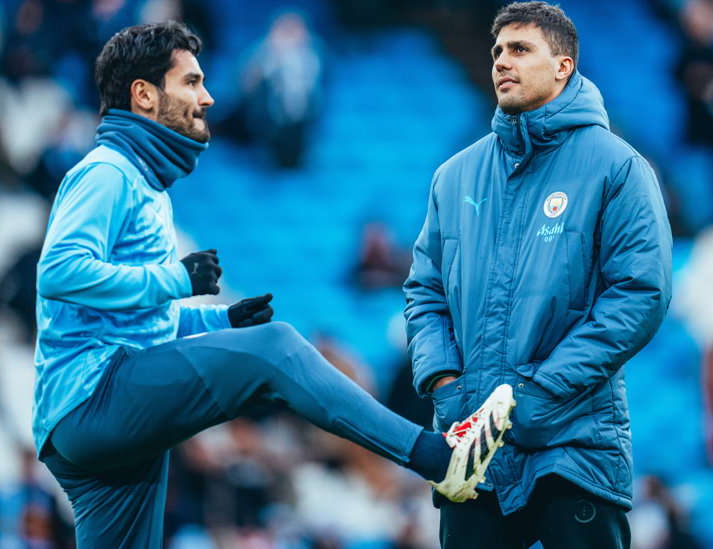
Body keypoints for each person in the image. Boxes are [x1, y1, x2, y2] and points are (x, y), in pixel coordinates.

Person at [33, 21, 515, 549]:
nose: (208, 96)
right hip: (95, 397)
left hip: (91, 412)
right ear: (144, 95)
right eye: (191, 82)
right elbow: (58, 273)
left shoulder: (143, 184)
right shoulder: (108, 171)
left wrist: (216, 319)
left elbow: (134, 319)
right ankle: (439, 458)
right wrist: (174, 278)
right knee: (277, 347)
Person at [403, 3, 672, 548]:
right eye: (498, 50)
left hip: (574, 449)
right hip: (471, 455)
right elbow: (423, 292)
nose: (502, 60)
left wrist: (539, 393)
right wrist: (445, 386)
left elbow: (640, 294)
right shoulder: (453, 177)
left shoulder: (617, 167)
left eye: (520, 49)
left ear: (563, 66)